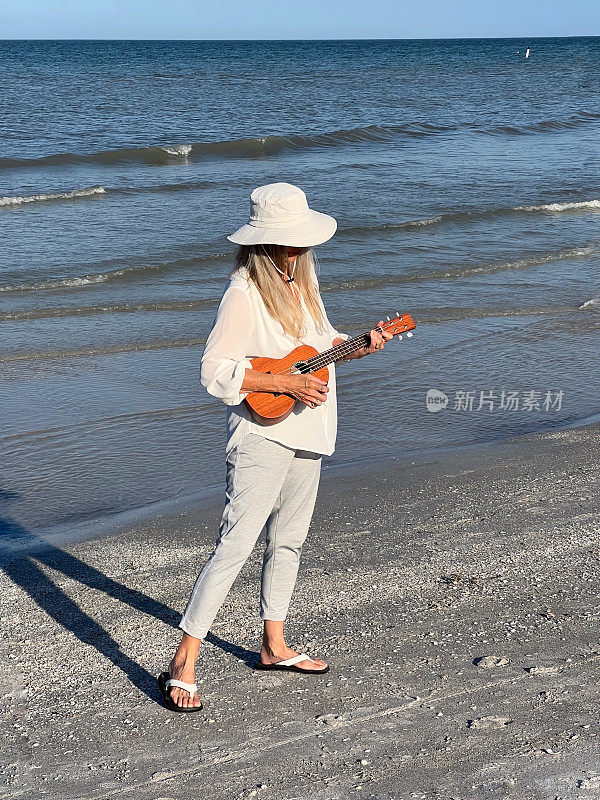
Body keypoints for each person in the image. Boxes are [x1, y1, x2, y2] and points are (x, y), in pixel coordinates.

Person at [158, 182, 392, 711]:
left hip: (308, 429)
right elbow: (214, 370)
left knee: (289, 542)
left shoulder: (302, 284)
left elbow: (324, 349)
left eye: (302, 242)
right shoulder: (244, 292)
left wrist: (363, 346)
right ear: (263, 245)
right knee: (236, 546)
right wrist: (283, 384)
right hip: (262, 434)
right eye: (290, 243)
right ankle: (185, 659)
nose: (300, 251)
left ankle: (273, 643)